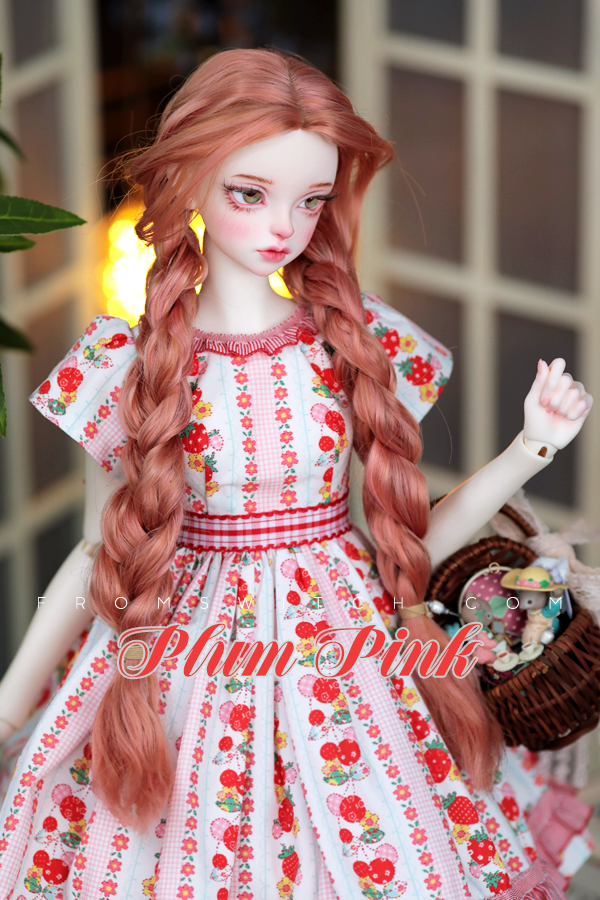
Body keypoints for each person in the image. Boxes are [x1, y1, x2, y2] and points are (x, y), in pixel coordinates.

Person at [0, 48, 593, 900]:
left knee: (383, 842)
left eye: (310, 200)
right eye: (250, 193)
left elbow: (408, 544)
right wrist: (11, 703)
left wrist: (530, 447)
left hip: (350, 660)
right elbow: (96, 555)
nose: (283, 226)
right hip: (176, 660)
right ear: (188, 180)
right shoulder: (123, 365)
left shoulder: (350, 341)